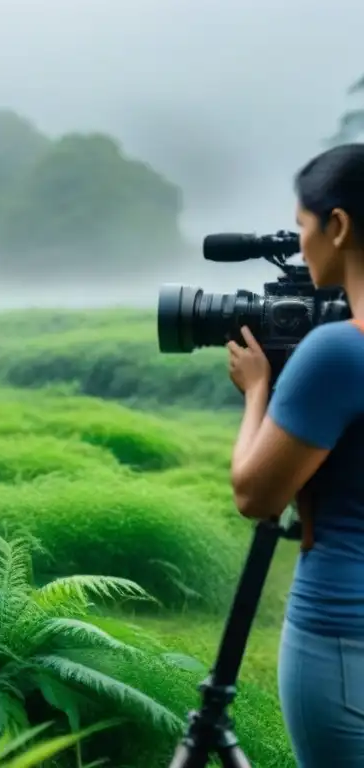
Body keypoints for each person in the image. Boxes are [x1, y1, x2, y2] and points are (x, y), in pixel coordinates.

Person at [227, 142, 364, 766]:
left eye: (304, 227)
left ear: (338, 226)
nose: (302, 244)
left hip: (343, 638)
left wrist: (259, 389)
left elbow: (257, 495)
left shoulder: (337, 353)